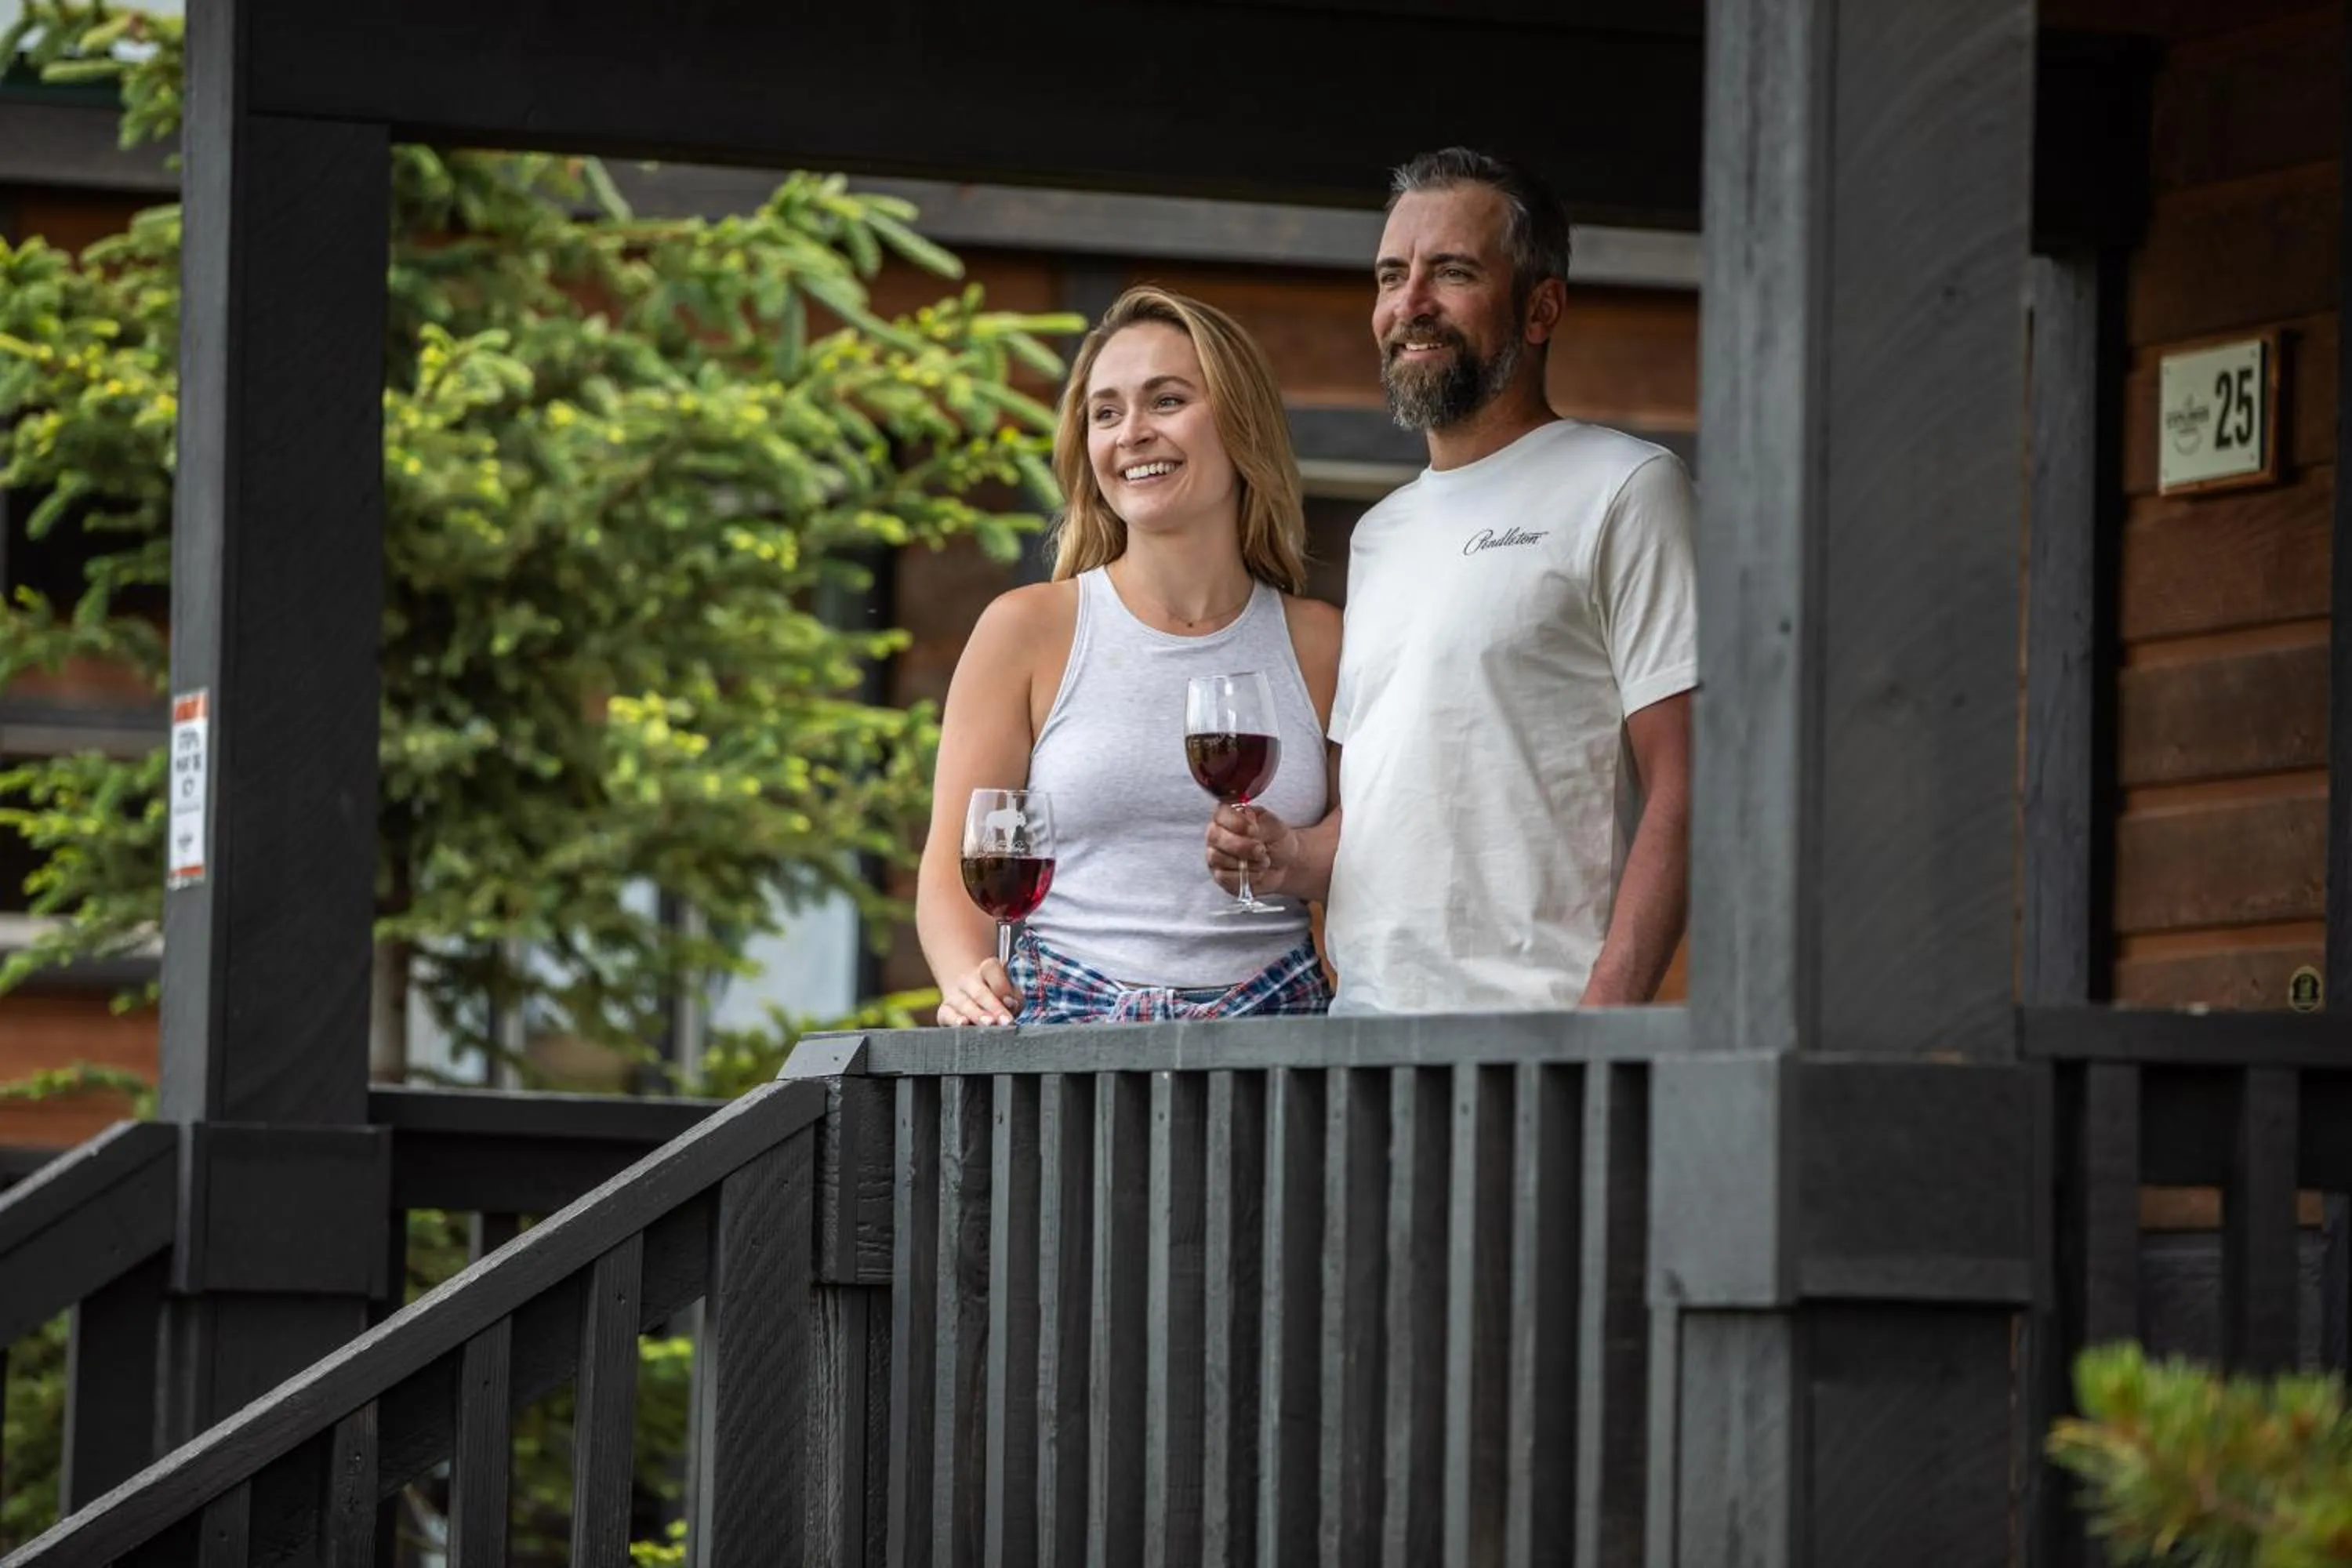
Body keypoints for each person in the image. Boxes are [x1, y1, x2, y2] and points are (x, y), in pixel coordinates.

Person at [1206, 147, 1696, 1014]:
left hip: (1538, 1032)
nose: (1410, 304)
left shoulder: (1626, 487)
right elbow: (1383, 817)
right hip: (1363, 1033)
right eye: (1392, 275)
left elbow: (1690, 785)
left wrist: (1599, 1025)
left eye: (1452, 272)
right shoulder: (1382, 533)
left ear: (1541, 306)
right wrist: (1293, 856)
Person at [916, 286, 1342, 1026]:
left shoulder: (1323, 642)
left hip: (1273, 1026)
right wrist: (966, 980)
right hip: (1061, 1022)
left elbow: (1370, 849)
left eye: (1167, 401)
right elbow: (954, 868)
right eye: (1106, 413)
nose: (1132, 433)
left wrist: (1297, 851)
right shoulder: (1026, 629)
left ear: (1241, 423)